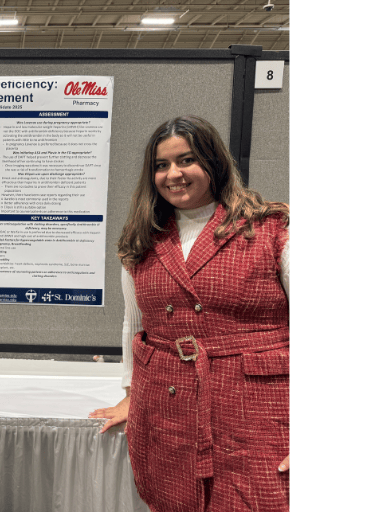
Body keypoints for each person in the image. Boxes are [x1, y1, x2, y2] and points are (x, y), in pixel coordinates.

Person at [89, 116, 289, 511]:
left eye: (186, 160)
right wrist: (131, 395)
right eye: (161, 165)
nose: (173, 174)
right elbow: (135, 324)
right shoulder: (142, 240)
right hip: (166, 409)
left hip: (258, 411)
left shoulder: (271, 228)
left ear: (213, 163)